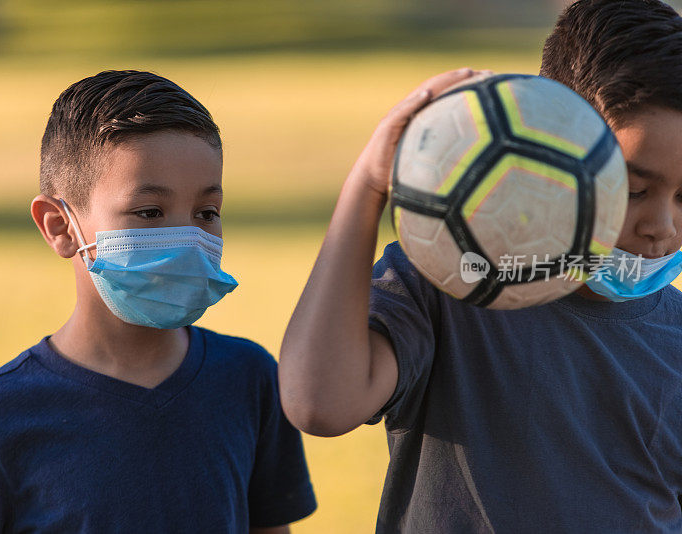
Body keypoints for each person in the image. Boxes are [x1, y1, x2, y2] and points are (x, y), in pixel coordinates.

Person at [279, 0, 682, 531]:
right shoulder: (455, 278)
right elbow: (319, 405)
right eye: (632, 190)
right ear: (549, 150)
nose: (663, 227)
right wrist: (369, 187)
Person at [0, 70, 316, 533]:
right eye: (149, 212)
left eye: (206, 213)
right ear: (60, 227)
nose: (186, 238)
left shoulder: (249, 380)